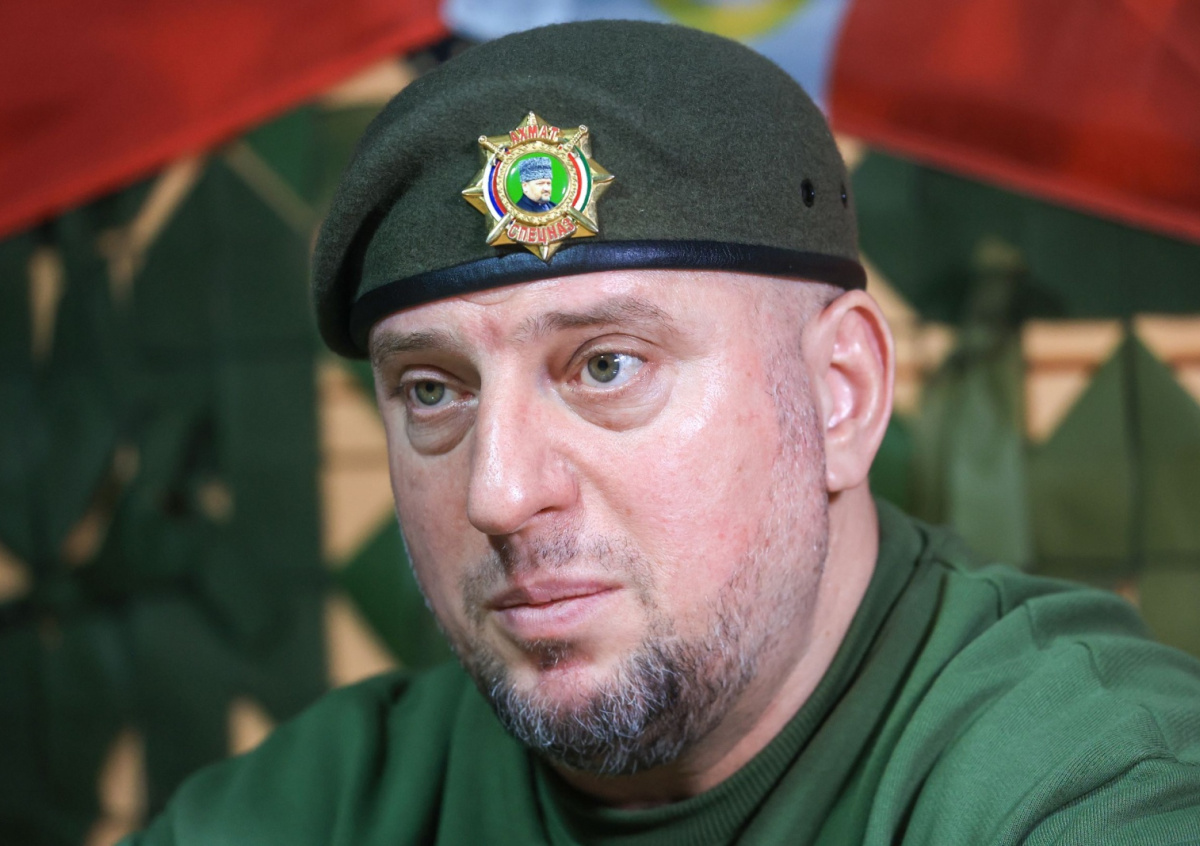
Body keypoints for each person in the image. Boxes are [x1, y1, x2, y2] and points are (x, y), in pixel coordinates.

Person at [124, 20, 1200, 845]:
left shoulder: (1084, 783)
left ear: (839, 395)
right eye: (435, 390)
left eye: (606, 367)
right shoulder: (316, 808)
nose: (500, 492)